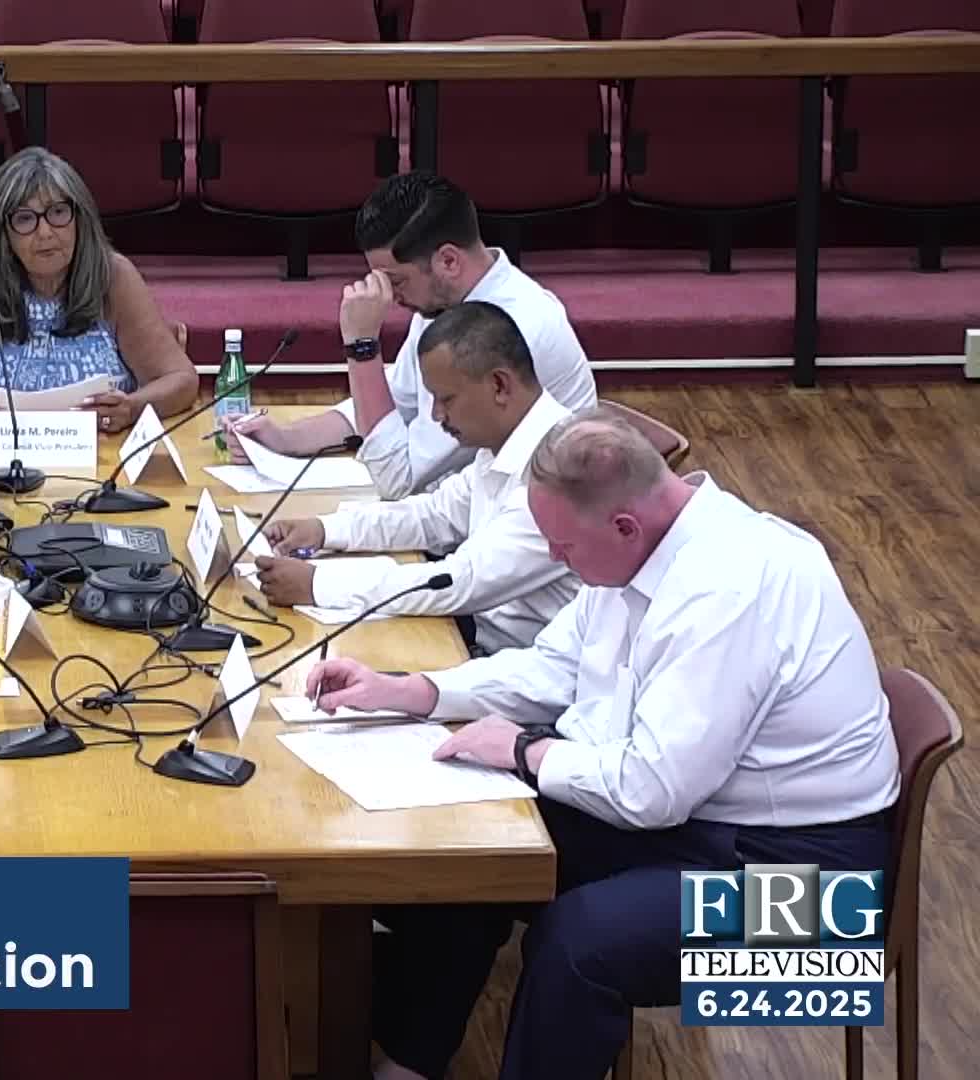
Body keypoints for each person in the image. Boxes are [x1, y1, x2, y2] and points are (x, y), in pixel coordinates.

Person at [301, 408, 901, 1080]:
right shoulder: (650, 547)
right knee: (474, 838)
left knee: (581, 945)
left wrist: (525, 751)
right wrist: (410, 690)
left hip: (823, 899)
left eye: (564, 547)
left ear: (623, 526)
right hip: (710, 829)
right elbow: (554, 666)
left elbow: (652, 792)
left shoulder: (730, 587)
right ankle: (409, 1062)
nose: (557, 560)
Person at [226, 170, 596, 500]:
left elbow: (399, 479)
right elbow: (396, 404)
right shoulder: (445, 299)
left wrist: (362, 347)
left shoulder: (507, 329)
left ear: (448, 261)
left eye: (396, 281)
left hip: (534, 532)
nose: (390, 296)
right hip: (464, 510)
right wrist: (287, 439)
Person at [250, 302, 579, 654]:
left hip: (519, 663)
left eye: (446, 399)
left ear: (499, 385)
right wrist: (325, 529)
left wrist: (319, 583)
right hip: (480, 639)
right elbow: (433, 514)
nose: (437, 415)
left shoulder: (563, 470)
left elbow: (461, 582)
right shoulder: (501, 442)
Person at [0, 146, 196, 433]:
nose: (45, 233)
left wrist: (131, 408)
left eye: (57, 212)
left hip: (103, 456)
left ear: (79, 219)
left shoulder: (112, 276)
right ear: (3, 234)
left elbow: (182, 380)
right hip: (6, 457)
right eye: (25, 218)